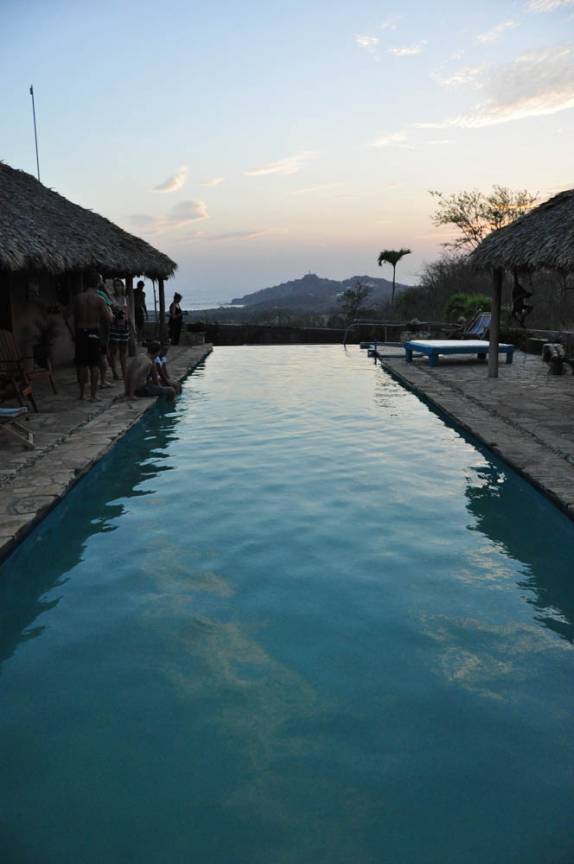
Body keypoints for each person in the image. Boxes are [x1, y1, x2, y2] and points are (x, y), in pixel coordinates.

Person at [73, 271, 113, 401]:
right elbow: (109, 319)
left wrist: (71, 331)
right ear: (97, 283)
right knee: (94, 365)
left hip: (80, 332)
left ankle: (81, 394)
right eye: (101, 281)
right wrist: (110, 310)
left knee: (82, 364)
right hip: (93, 332)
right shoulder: (99, 300)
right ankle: (93, 396)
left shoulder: (78, 298)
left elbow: (66, 315)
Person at [109, 279, 133, 380]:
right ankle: (114, 373)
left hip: (125, 327)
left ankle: (124, 373)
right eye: (116, 285)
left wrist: (133, 327)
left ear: (123, 286)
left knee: (123, 352)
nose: (117, 287)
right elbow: (112, 310)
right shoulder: (111, 297)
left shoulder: (125, 298)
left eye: (119, 285)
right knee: (113, 351)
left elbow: (129, 313)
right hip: (114, 327)